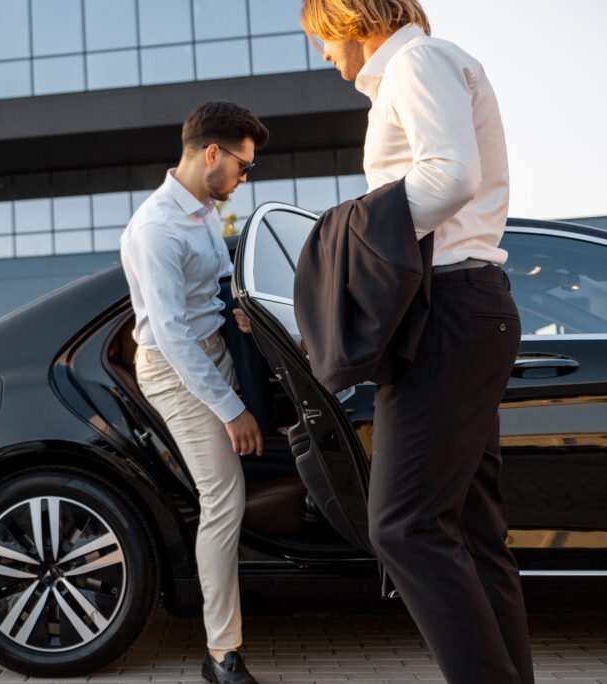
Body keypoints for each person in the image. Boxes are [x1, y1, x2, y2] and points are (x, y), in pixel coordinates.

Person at [299, 1, 532, 681]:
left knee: (404, 527)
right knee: (473, 533)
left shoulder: (415, 61)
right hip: (465, 308)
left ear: (349, 20)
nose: (322, 55)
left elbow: (449, 175)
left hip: (450, 312)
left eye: (321, 39)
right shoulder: (426, 65)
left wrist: (359, 235)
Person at [119, 101, 268, 684]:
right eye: (243, 166)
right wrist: (231, 411)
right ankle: (221, 654)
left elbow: (207, 293)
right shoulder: (155, 229)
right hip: (175, 370)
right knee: (223, 497)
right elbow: (172, 335)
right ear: (213, 154)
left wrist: (239, 311)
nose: (244, 177)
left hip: (214, 351)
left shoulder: (204, 209)